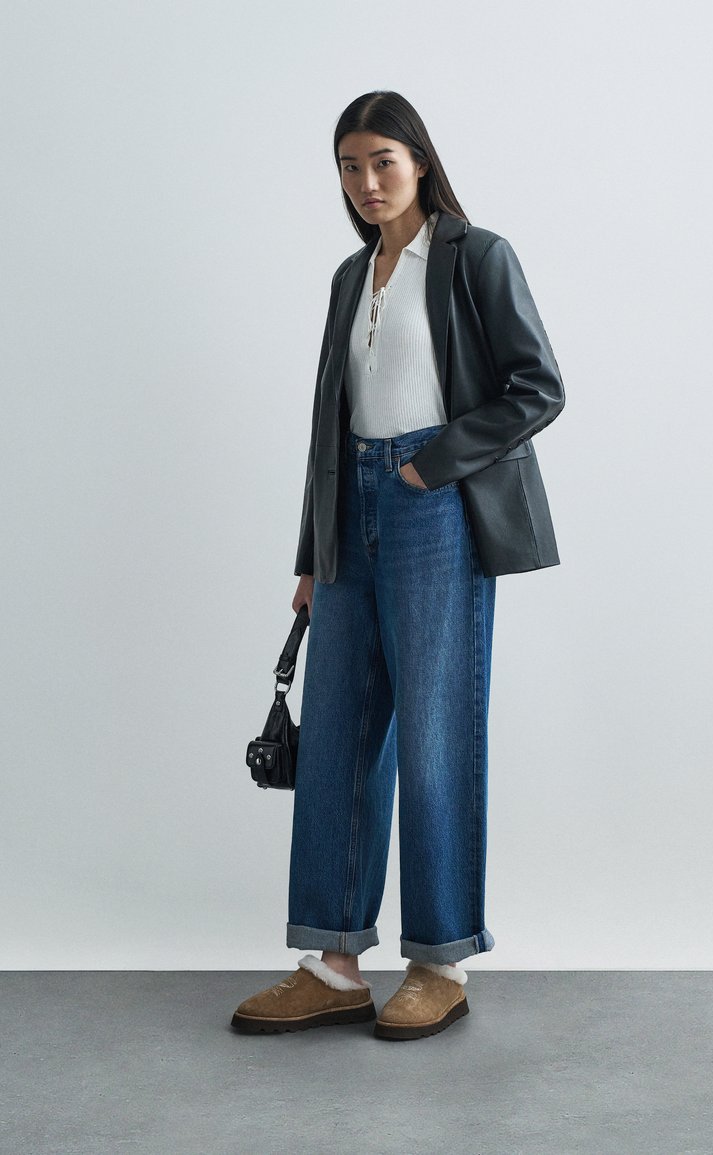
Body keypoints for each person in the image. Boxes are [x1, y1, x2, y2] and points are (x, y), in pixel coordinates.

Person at [232, 90, 565, 1041]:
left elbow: (538, 387)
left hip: (434, 510)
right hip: (351, 514)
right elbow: (328, 425)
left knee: (433, 735)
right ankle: (333, 964)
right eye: (350, 165)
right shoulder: (351, 275)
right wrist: (312, 554)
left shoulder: (476, 256)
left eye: (383, 160)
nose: (367, 181)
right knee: (338, 737)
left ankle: (438, 962)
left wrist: (433, 462)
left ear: (419, 159)